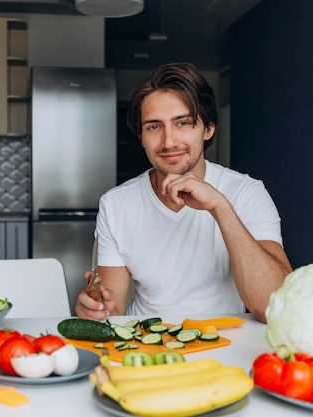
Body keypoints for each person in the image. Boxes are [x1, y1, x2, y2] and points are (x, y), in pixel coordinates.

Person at [75, 62, 292, 323]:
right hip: (145, 342)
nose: (168, 142)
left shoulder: (246, 193)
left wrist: (220, 208)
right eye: (154, 126)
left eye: (183, 123)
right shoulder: (116, 204)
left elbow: (276, 306)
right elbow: (114, 310)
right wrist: (97, 309)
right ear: (141, 136)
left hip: (224, 343)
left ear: (208, 128)